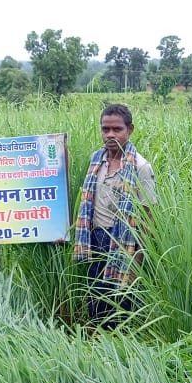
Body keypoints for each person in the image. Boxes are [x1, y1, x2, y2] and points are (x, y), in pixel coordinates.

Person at [72, 104, 157, 328]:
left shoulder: (141, 167)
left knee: (121, 306)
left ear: (130, 130)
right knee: (96, 301)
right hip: (96, 241)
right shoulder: (95, 161)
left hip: (124, 245)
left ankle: (120, 353)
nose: (110, 135)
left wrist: (135, 262)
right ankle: (99, 347)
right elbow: (87, 205)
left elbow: (148, 219)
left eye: (117, 129)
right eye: (105, 129)